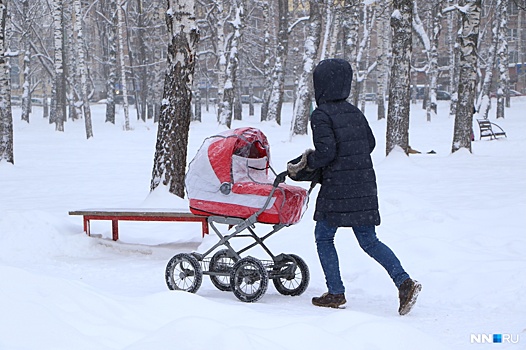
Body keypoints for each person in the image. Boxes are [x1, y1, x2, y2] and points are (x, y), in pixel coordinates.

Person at [287, 58, 421, 315]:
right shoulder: (354, 111)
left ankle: (335, 292)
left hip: (338, 188)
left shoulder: (321, 114)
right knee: (369, 240)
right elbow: (369, 143)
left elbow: (326, 152)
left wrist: (304, 163)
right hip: (363, 185)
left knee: (324, 237)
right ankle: (404, 282)